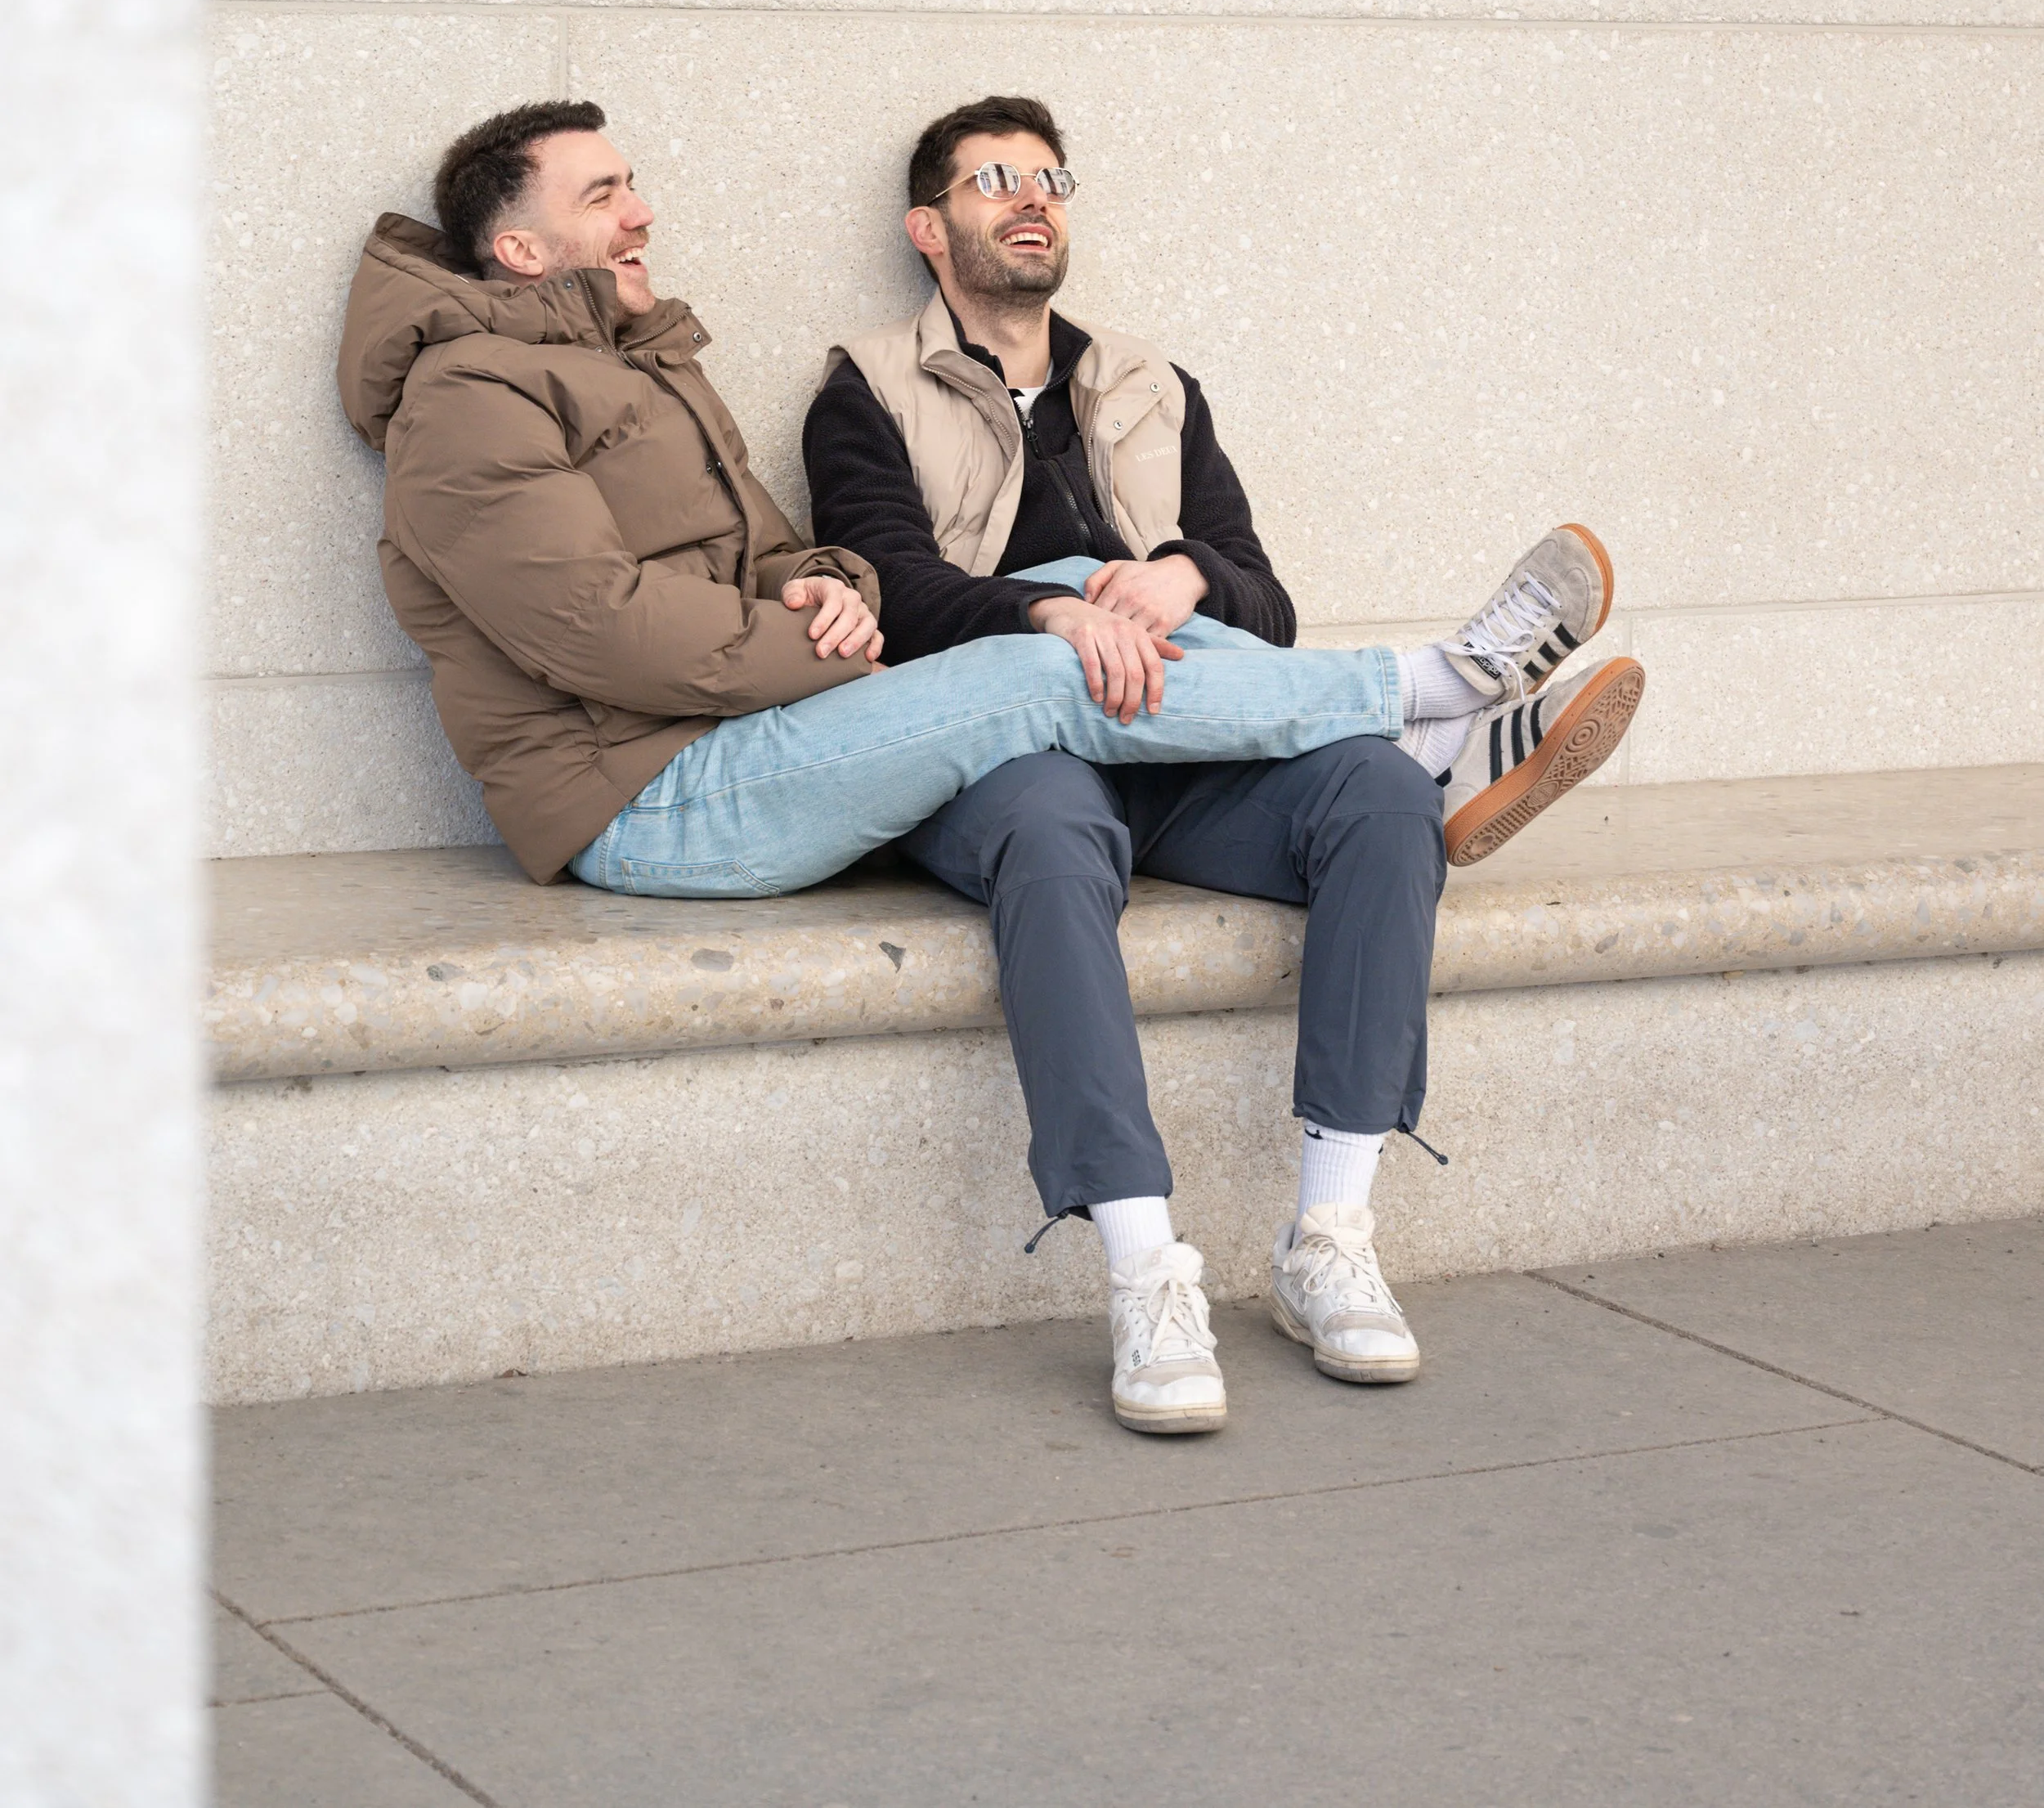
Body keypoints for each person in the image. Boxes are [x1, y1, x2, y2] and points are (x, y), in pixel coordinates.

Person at [335, 96, 1639, 1432]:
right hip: (643, 792)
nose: (643, 209)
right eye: (606, 192)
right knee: (1044, 642)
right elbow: (601, 626)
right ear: (522, 250)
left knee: (1171, 658)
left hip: (820, 735)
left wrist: (831, 594)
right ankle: (1428, 697)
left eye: (1049, 176)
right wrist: (851, 634)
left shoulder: (661, 362)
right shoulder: (473, 399)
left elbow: (789, 559)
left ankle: (1336, 1226)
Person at [805, 95, 1645, 1432]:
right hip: (1018, 747)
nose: (1033, 198)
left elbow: (1263, 596)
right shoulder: (867, 384)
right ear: (929, 227)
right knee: (1053, 830)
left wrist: (1187, 574)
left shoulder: (1148, 381)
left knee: (1372, 799)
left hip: (1191, 751)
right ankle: (1145, 1271)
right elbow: (889, 592)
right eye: (993, 180)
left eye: (1051, 177)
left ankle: (1331, 1239)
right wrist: (1052, 609)